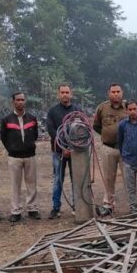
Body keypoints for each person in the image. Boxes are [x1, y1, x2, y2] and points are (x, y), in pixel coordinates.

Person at [0, 92, 40, 223]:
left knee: (31, 184)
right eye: (18, 100)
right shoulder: (6, 120)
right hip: (14, 157)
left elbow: (35, 135)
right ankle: (16, 211)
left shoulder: (32, 118)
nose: (20, 102)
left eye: (22, 100)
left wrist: (29, 146)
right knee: (15, 185)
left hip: (30, 156)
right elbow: (3, 137)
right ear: (13, 102)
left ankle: (32, 209)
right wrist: (12, 148)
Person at [46, 83, 81, 219]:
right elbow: (52, 131)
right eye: (62, 92)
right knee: (57, 180)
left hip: (75, 152)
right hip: (58, 152)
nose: (65, 95)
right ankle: (56, 208)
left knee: (76, 179)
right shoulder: (52, 111)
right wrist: (64, 147)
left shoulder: (77, 110)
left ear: (71, 94)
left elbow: (82, 130)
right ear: (58, 94)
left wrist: (72, 148)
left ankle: (76, 206)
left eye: (67, 92)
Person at [93, 83, 126, 214]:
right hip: (108, 148)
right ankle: (108, 205)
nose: (116, 94)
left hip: (125, 149)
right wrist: (107, 134)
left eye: (118, 91)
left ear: (122, 93)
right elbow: (96, 126)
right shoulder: (102, 108)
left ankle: (133, 204)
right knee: (108, 178)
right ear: (108, 93)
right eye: (113, 92)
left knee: (128, 177)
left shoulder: (128, 107)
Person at [117, 100, 137, 214]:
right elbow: (120, 141)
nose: (132, 112)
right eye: (130, 109)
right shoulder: (122, 125)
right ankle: (133, 208)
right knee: (130, 188)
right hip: (128, 162)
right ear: (126, 111)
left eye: (134, 109)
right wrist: (124, 155)